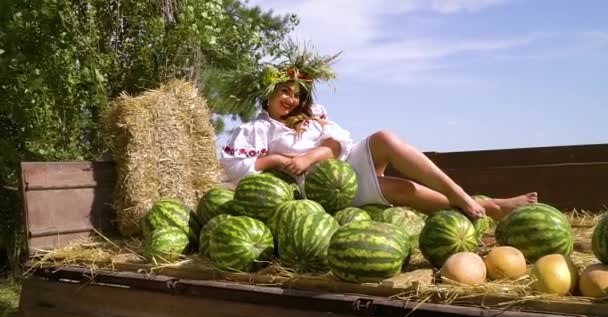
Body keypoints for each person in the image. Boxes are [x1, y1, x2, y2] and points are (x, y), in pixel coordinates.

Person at [219, 44, 537, 221]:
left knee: (384, 137)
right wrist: (277, 160)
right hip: (318, 191)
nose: (292, 99)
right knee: (398, 188)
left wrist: (314, 154)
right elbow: (236, 170)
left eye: (297, 94)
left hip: (341, 166)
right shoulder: (255, 130)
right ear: (268, 94)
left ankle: (459, 194)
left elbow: (336, 141)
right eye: (284, 92)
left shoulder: (313, 115)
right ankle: (490, 206)